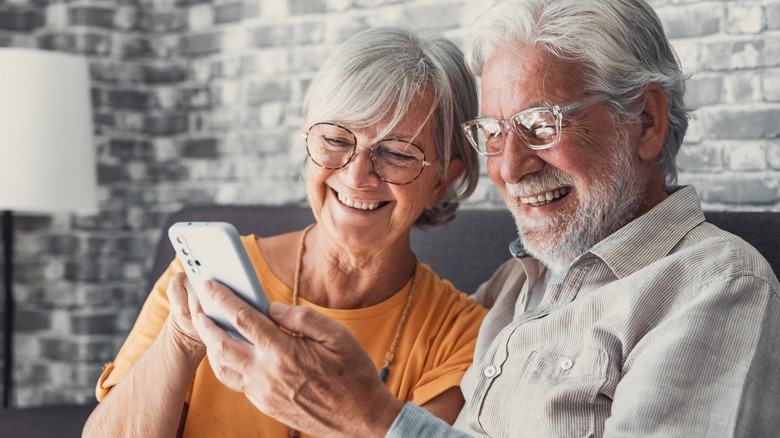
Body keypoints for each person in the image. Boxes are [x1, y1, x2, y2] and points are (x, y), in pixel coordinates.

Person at [181, 0, 780, 437]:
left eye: (543, 125)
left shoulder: (715, 287)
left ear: (645, 121)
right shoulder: (513, 288)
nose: (511, 167)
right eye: (494, 133)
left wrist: (371, 419)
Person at [82, 26, 488, 437]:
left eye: (398, 152)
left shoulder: (462, 336)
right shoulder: (198, 277)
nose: (357, 175)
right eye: (335, 138)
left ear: (442, 179)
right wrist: (183, 340)